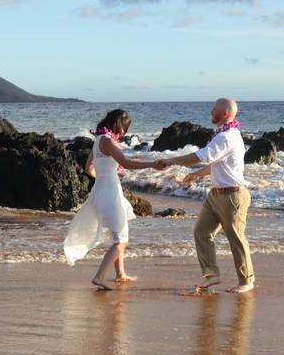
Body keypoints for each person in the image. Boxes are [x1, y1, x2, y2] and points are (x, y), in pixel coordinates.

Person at [159, 98, 255, 293]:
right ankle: (212, 275)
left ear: (225, 114)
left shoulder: (227, 136)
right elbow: (215, 164)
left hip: (233, 196)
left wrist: (172, 161)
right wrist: (196, 174)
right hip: (216, 195)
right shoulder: (222, 135)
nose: (211, 111)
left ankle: (246, 281)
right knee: (201, 232)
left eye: (214, 109)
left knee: (236, 239)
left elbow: (201, 156)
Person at [64, 109, 159, 290]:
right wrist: (153, 165)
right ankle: (99, 277)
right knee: (121, 241)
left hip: (102, 190)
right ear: (119, 126)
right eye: (125, 128)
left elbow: (87, 168)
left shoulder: (99, 140)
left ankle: (120, 274)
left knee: (120, 235)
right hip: (109, 192)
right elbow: (128, 163)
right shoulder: (107, 141)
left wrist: (102, 178)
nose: (125, 133)